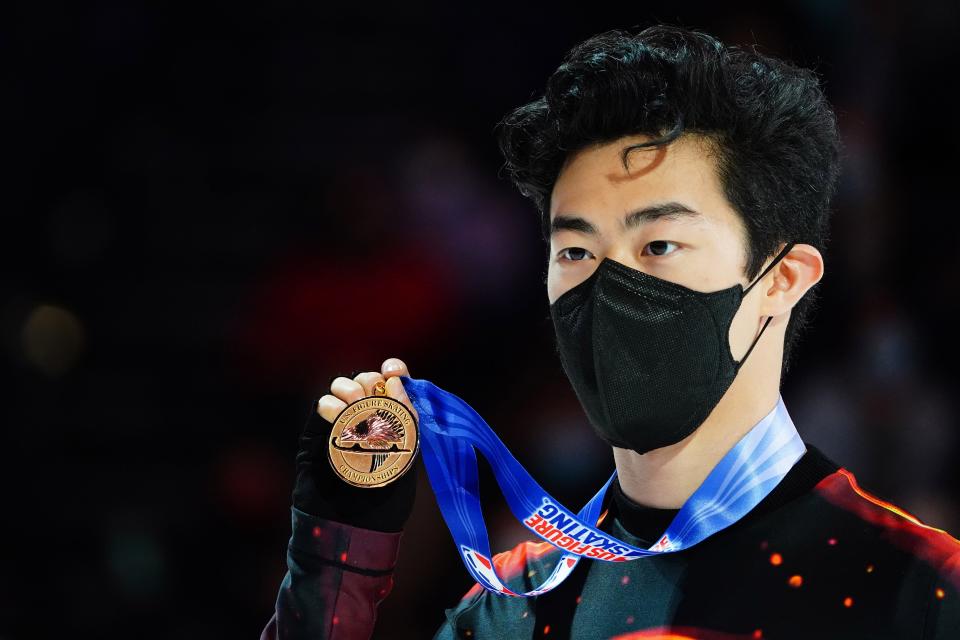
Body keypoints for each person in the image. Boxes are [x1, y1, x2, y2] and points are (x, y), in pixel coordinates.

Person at [260, 23, 960, 639]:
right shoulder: (513, 607)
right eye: (577, 252)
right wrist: (337, 559)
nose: (607, 288)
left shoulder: (923, 590)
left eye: (658, 245)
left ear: (781, 278)